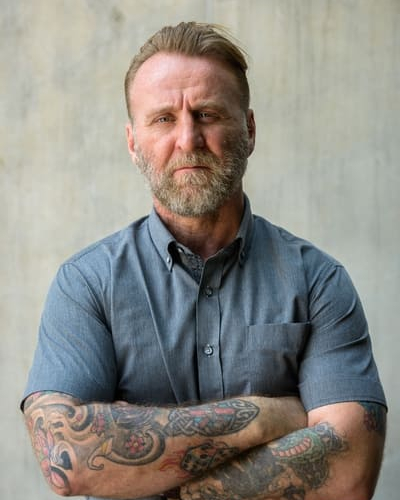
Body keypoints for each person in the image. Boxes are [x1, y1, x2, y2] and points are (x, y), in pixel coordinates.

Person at [22, 22, 387, 500]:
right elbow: (66, 456)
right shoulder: (86, 283)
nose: (188, 138)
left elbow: (350, 471)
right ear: (133, 143)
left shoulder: (318, 281)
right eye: (163, 119)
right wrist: (268, 416)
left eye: (207, 114)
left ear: (249, 130)